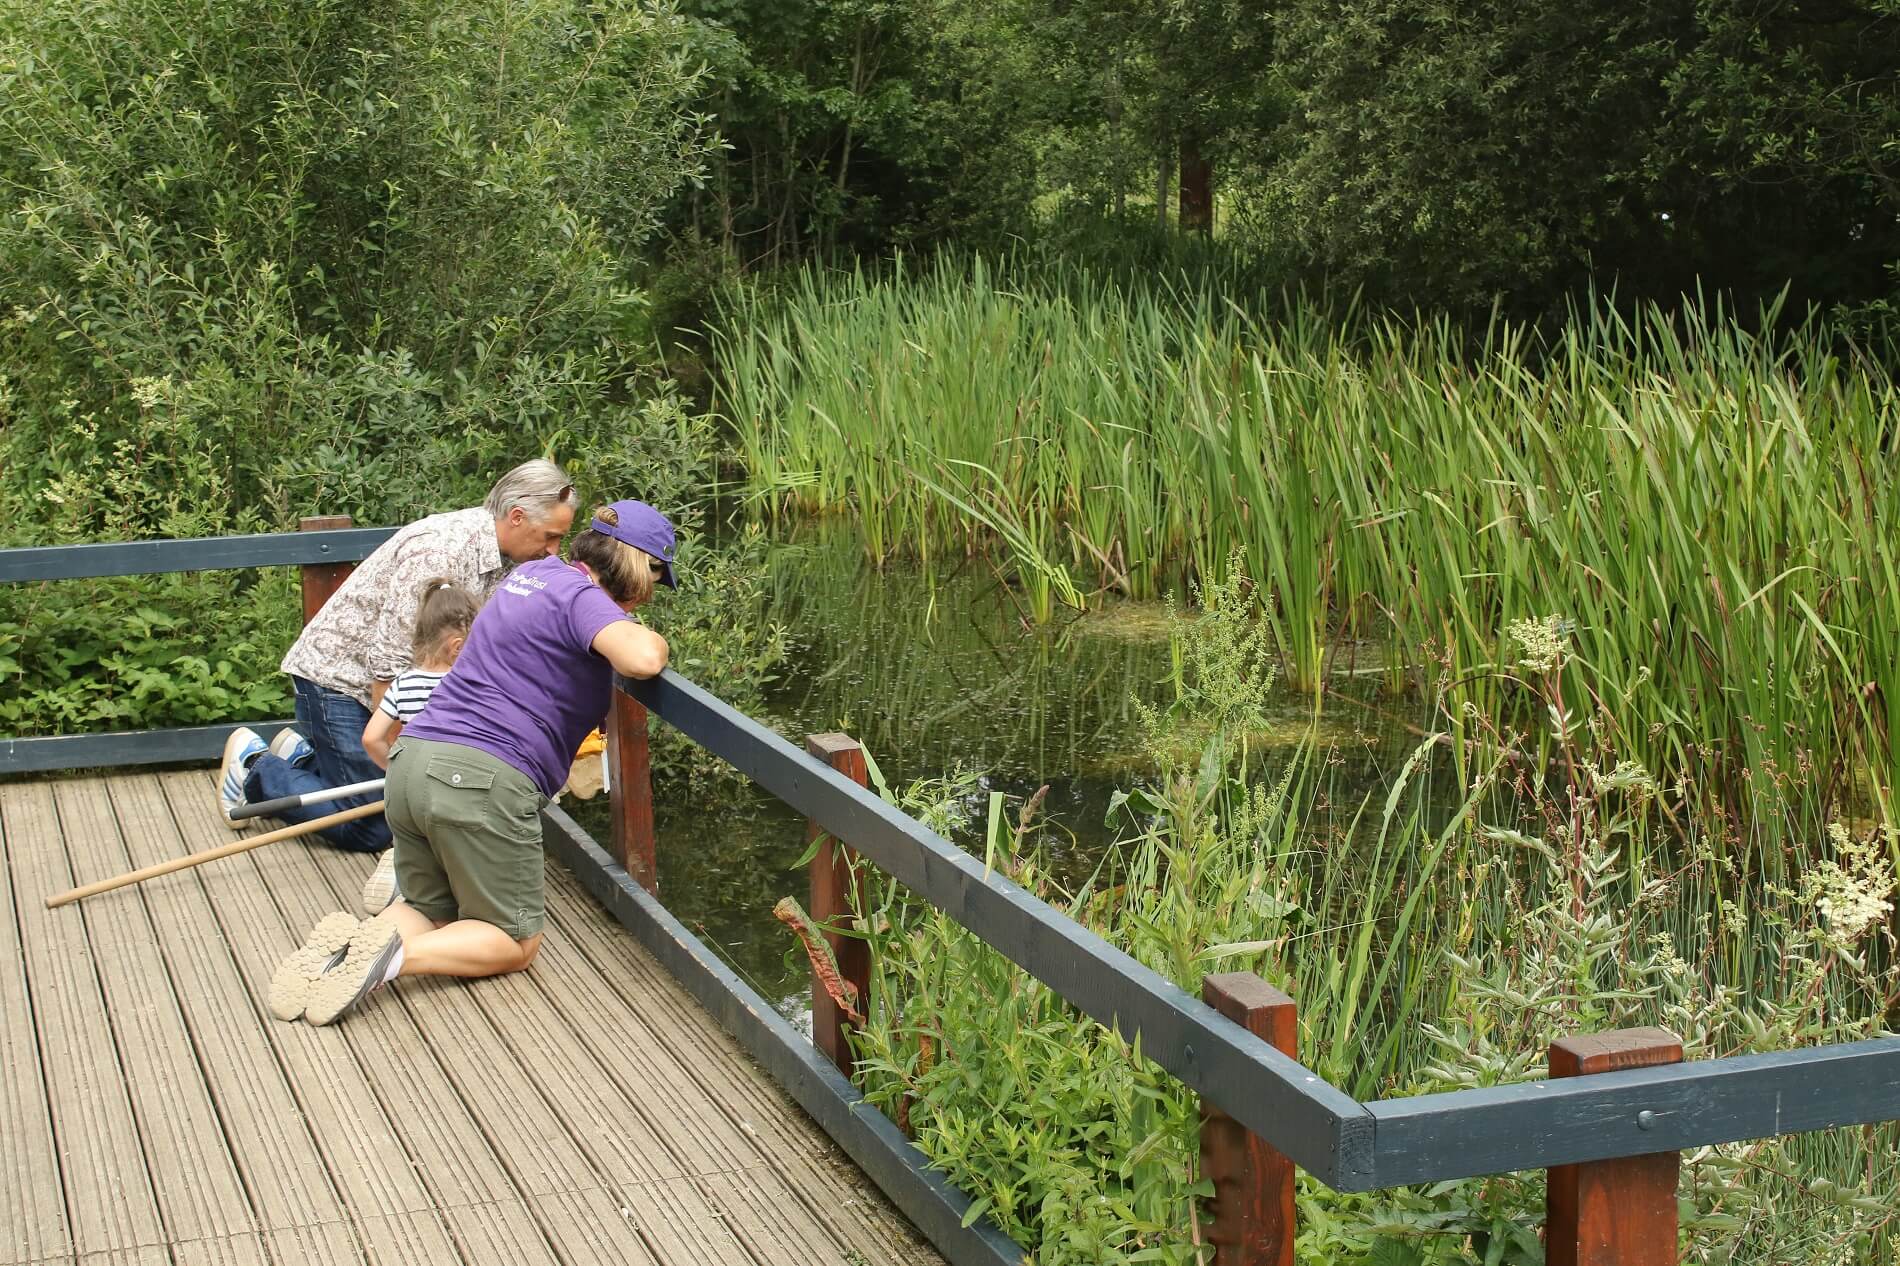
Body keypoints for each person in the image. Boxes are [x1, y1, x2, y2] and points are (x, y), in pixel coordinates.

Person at [271, 499, 677, 1027]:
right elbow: (642, 659)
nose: (647, 595)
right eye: (654, 578)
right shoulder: (581, 594)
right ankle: (389, 958)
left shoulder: (530, 575)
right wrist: (653, 637)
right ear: (635, 563)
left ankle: (348, 949)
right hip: (480, 776)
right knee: (514, 940)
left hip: (413, 760)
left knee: (427, 908)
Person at [217, 460, 579, 853]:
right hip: (339, 682)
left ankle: (305, 760)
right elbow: (387, 666)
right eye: (551, 536)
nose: (553, 550)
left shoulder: (511, 554)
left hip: (389, 689)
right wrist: (410, 768)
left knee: (402, 804)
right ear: (517, 516)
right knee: (372, 826)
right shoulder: (439, 553)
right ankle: (255, 767)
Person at [356, 577, 479, 915]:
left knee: (418, 844)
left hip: (408, 788)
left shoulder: (403, 683)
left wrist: (393, 768)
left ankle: (403, 872)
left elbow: (371, 737)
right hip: (452, 785)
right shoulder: (466, 685)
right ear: (457, 646)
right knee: (461, 844)